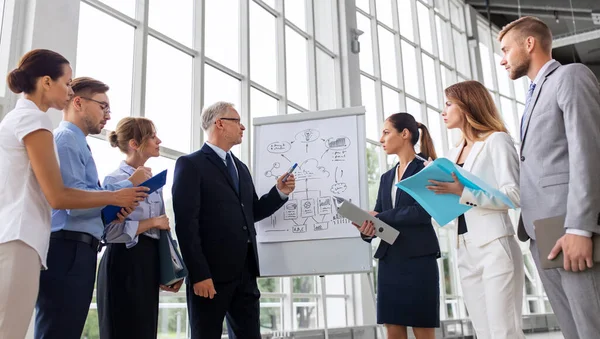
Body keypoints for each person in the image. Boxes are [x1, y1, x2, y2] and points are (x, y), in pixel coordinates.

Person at [0, 49, 146, 339]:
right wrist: (115, 196)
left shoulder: (23, 119)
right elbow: (58, 196)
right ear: (45, 82)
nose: (69, 90)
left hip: (23, 238)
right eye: (66, 83)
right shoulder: (35, 122)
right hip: (22, 237)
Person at [498, 16, 600, 338]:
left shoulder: (569, 76)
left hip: (569, 228)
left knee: (592, 325)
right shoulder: (531, 97)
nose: (503, 59)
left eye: (505, 50)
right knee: (572, 330)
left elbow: (588, 152)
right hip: (542, 232)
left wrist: (580, 228)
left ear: (529, 44)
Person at [35, 77, 150, 339]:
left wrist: (113, 205)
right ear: (78, 102)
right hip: (67, 249)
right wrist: (118, 193)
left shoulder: (77, 142)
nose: (108, 116)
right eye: (103, 107)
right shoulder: (65, 140)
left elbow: (85, 201)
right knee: (58, 329)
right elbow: (72, 203)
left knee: (66, 328)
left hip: (79, 249)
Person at [172, 101, 296, 339]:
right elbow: (186, 225)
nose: (242, 127)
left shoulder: (240, 167)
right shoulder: (191, 164)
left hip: (245, 274)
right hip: (210, 275)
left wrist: (279, 192)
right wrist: (199, 274)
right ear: (219, 123)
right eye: (237, 121)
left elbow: (252, 212)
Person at [427, 80, 524, 338]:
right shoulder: (452, 152)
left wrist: (464, 192)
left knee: (504, 331)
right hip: (463, 247)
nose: (443, 111)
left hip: (494, 244)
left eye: (449, 104)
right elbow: (454, 205)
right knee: (483, 332)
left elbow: (514, 196)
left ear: (467, 105)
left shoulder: (497, 141)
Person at [96, 117, 182, 339]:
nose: (158, 140)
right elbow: (108, 232)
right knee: (121, 329)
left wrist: (171, 270)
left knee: (145, 330)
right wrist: (152, 223)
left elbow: (161, 231)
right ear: (135, 144)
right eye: (152, 136)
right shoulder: (114, 180)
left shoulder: (154, 181)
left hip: (148, 261)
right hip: (123, 261)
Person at [357, 113, 440, 339]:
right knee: (392, 329)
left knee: (422, 329)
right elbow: (379, 215)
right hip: (390, 260)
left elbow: (422, 212)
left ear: (405, 134)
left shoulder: (427, 169)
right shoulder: (386, 177)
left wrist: (381, 216)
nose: (381, 139)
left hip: (419, 259)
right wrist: (367, 229)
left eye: (386, 132)